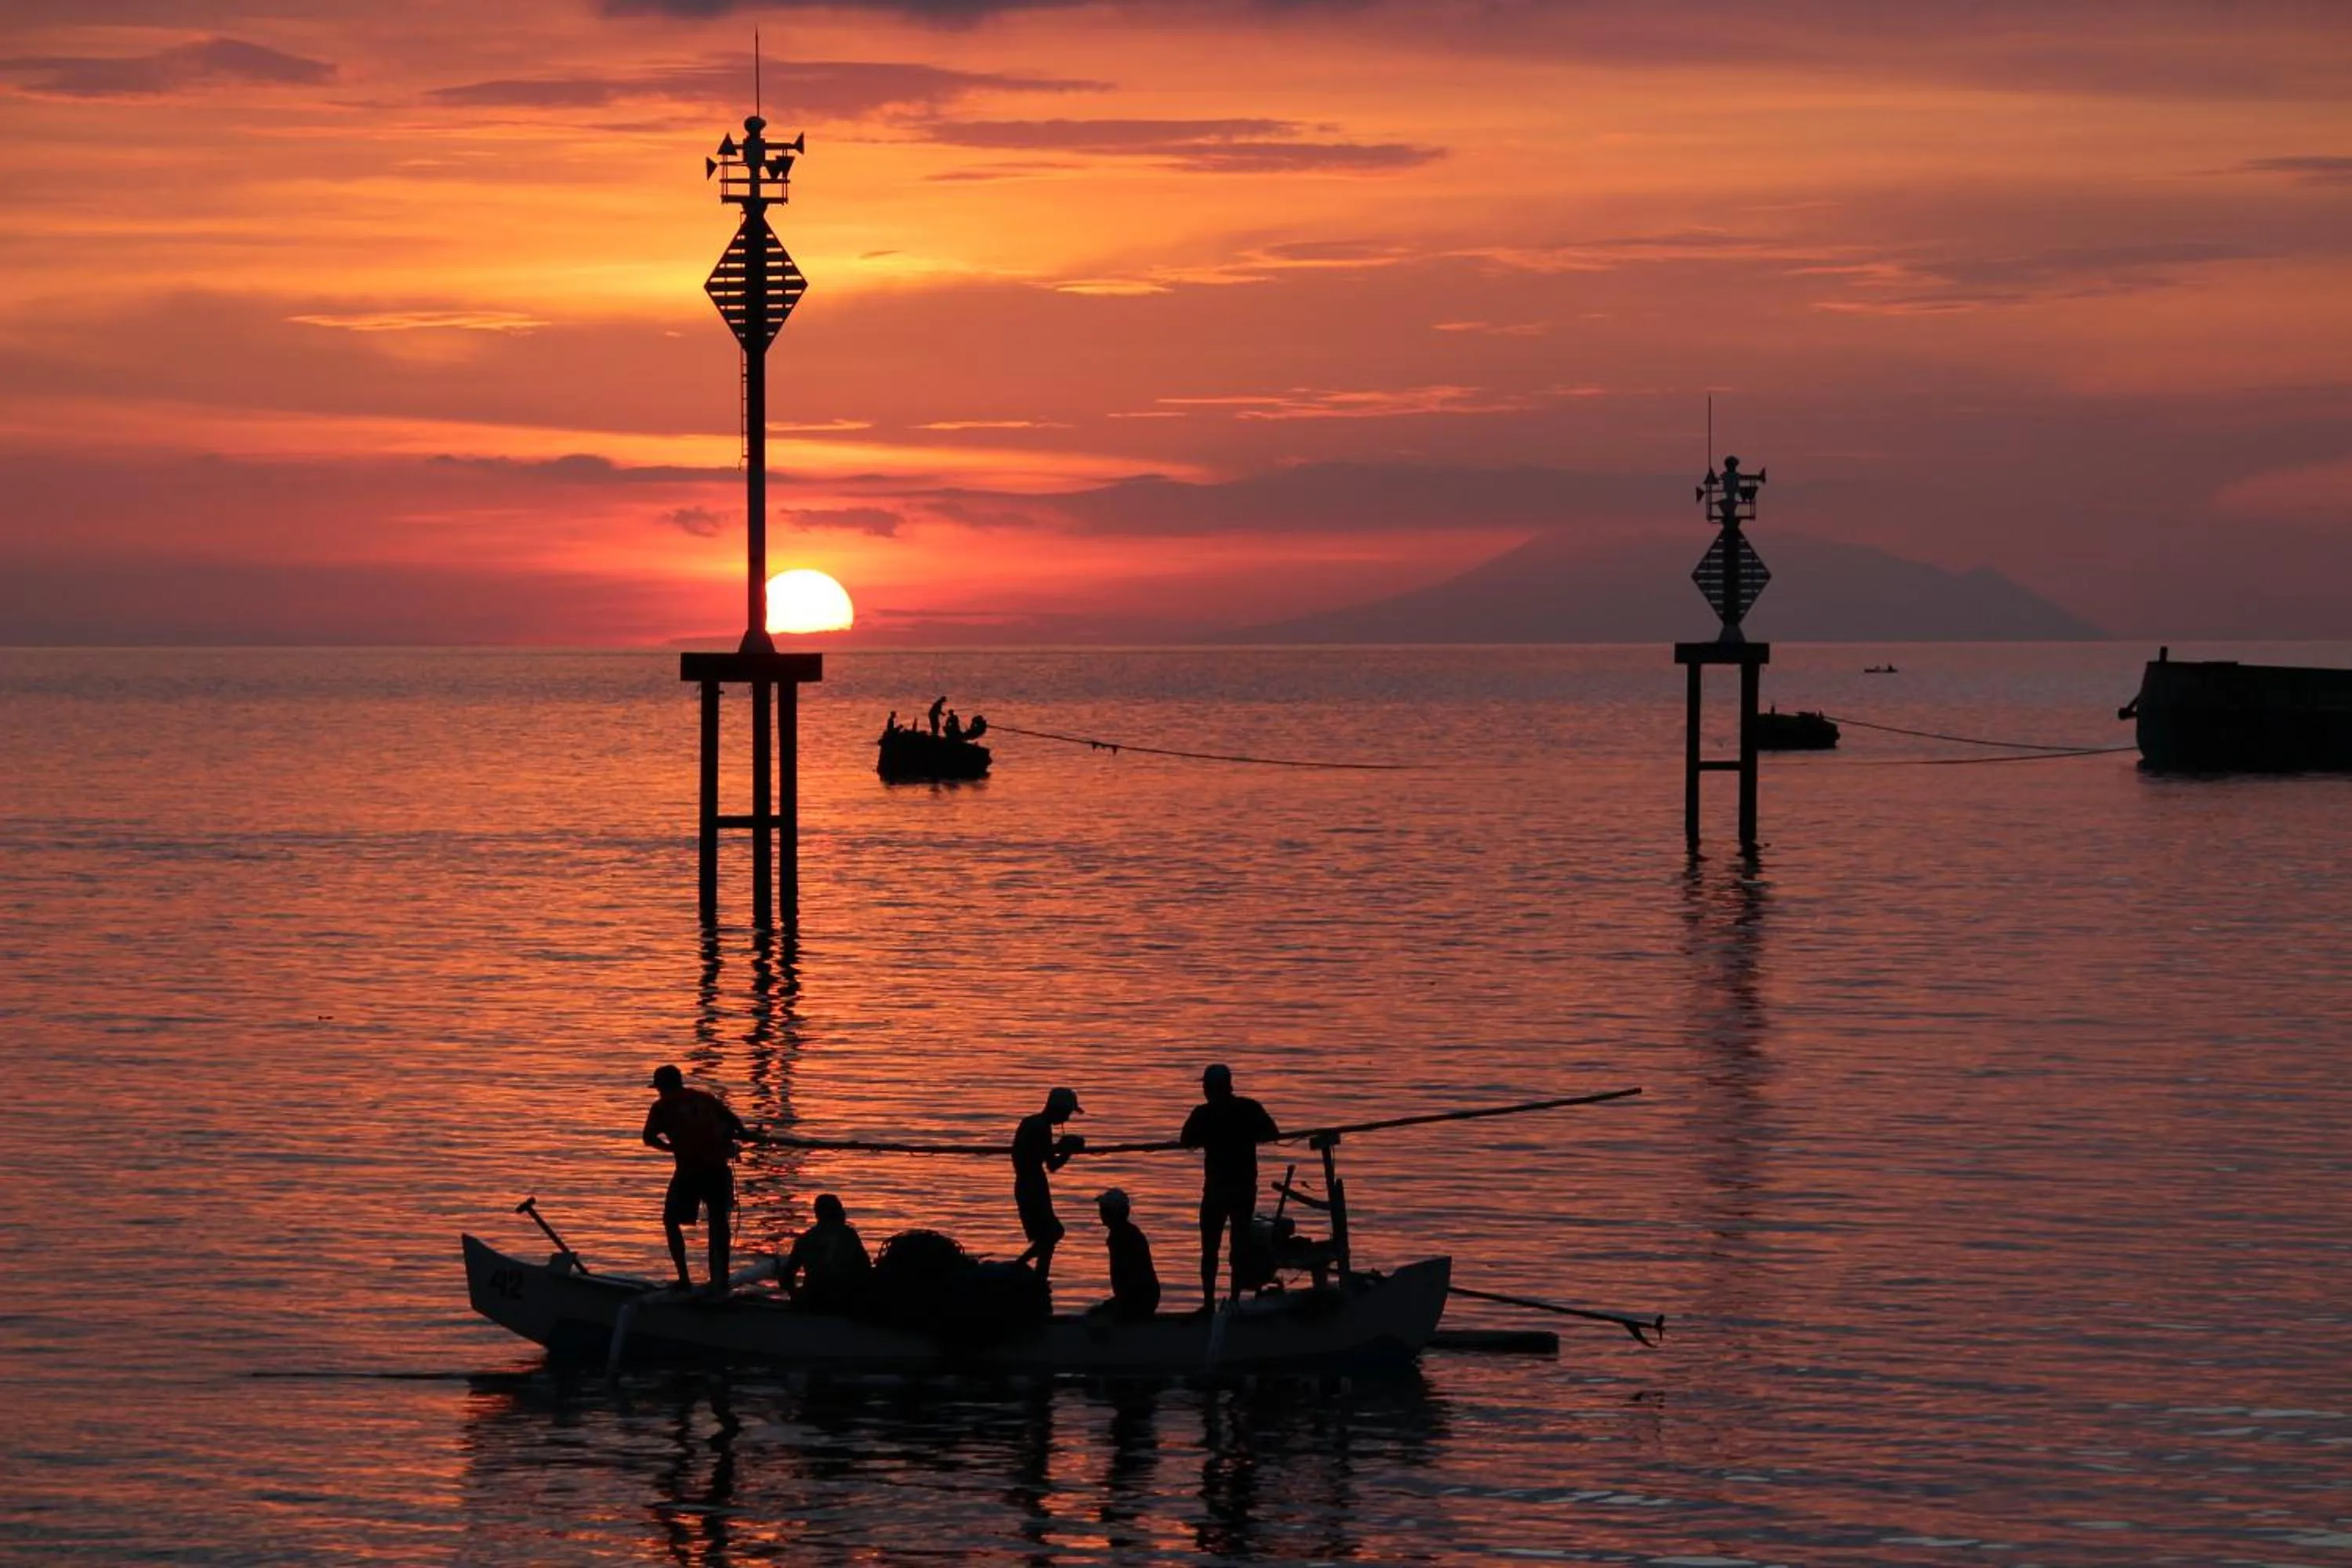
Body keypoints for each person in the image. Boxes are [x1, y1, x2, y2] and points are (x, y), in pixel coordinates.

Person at [641, 1063, 753, 1290]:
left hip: (689, 1171)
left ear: (662, 1087)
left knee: (671, 1220)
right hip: (718, 1169)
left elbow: (649, 1138)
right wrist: (736, 1136)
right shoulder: (705, 1098)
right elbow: (735, 1123)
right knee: (719, 1222)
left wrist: (672, 1148)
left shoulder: (663, 1106)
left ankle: (684, 1279)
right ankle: (720, 1279)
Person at [1180, 1064, 1279, 1308]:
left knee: (1210, 1249)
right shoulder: (1249, 1108)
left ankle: (1209, 1303)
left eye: (1205, 1086)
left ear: (1211, 1088)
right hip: (1243, 1189)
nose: (1204, 1090)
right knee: (1239, 1246)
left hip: (1217, 1190)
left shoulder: (1203, 1114)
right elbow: (1272, 1133)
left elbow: (1186, 1140)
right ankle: (1234, 1300)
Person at [1011, 1087, 1085, 1280]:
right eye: (1067, 1113)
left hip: (1027, 1184)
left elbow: (1037, 1152)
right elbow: (1052, 1164)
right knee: (1053, 1233)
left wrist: (1059, 1146)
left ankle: (1039, 1276)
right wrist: (1068, 1150)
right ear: (1059, 1109)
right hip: (1033, 1186)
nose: (1067, 1119)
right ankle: (1020, 1266)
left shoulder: (1030, 1122)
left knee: (1047, 1235)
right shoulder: (1042, 1128)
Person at [779, 1192, 871, 1315]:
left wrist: (795, 1295)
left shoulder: (806, 1239)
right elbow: (866, 1270)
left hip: (813, 1300)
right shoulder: (848, 1235)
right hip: (844, 1301)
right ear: (839, 1213)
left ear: (817, 1215)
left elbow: (786, 1278)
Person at [1090, 1188, 1160, 1321]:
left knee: (1097, 1317)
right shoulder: (1127, 1232)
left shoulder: (1120, 1237)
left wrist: (1121, 1305)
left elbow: (1126, 1276)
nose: (1101, 1213)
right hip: (1142, 1297)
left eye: (1104, 1209)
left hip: (1138, 1299)